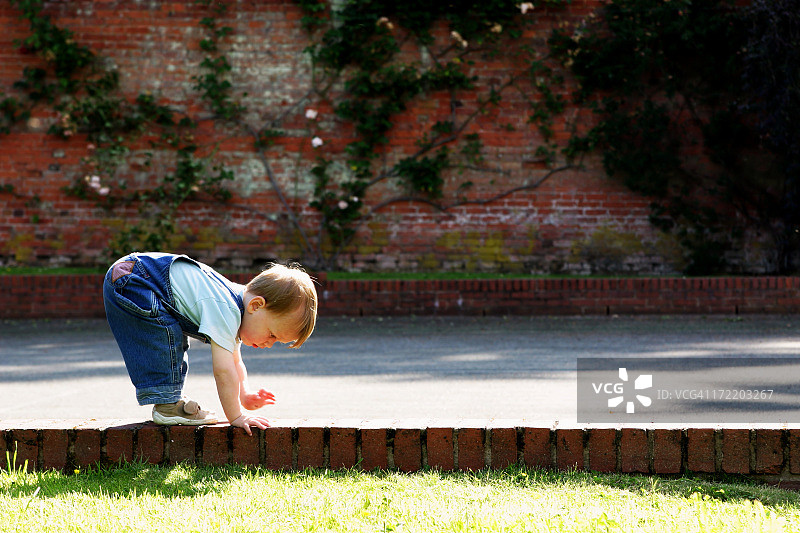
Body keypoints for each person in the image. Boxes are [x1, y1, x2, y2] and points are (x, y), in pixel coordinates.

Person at [102, 252, 317, 436]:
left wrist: (245, 395)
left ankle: (168, 400)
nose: (269, 344)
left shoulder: (236, 303)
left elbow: (235, 362)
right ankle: (167, 405)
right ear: (256, 305)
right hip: (136, 281)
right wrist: (236, 417)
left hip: (134, 274)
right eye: (272, 334)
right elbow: (223, 370)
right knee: (166, 333)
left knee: (169, 330)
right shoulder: (226, 309)